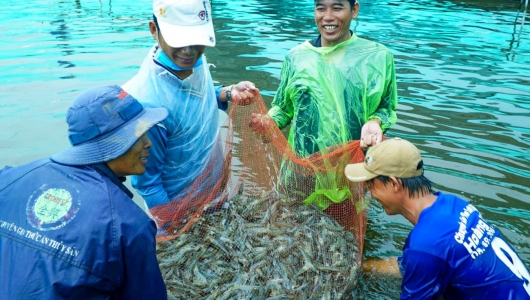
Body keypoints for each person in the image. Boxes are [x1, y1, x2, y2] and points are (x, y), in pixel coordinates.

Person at [0, 85, 168, 299]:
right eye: (138, 134)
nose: (149, 143)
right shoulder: (129, 225)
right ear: (111, 142)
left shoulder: (8, 179)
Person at [247, 0, 398, 209]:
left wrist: (375, 121)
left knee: (346, 232)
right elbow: (284, 108)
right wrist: (268, 121)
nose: (328, 16)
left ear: (354, 10)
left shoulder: (378, 57)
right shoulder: (296, 58)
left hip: (351, 169)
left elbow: (386, 107)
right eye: (320, 8)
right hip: (303, 168)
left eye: (337, 8)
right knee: (293, 228)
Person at [344, 137, 530, 299]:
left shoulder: (425, 244)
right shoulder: (454, 204)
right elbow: (421, 261)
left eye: (371, 184)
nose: (369, 192)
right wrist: (362, 267)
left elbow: (426, 255)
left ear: (393, 183)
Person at [123, 0, 259, 209]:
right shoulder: (147, 103)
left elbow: (194, 99)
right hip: (178, 208)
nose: (188, 49)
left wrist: (227, 93)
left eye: (196, 38)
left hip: (213, 189)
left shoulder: (194, 60)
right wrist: (175, 229)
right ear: (153, 30)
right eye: (179, 39)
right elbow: (148, 184)